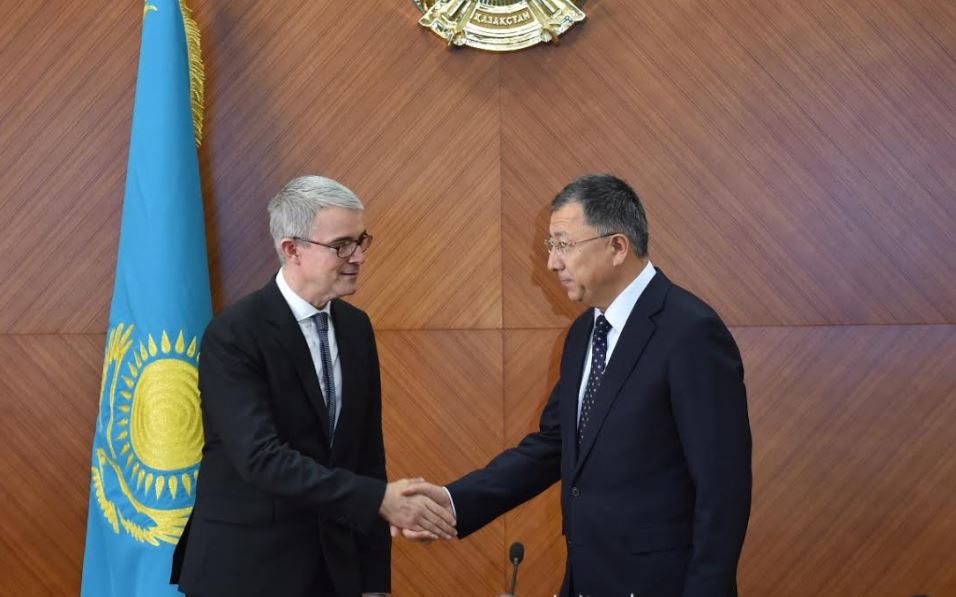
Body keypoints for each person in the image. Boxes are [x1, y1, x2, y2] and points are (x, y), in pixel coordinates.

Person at [402, 174, 752, 596]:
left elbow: (723, 487)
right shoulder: (585, 332)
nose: (552, 263)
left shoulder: (691, 332)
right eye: (551, 246)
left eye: (564, 245)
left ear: (617, 247)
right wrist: (455, 501)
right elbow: (555, 445)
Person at [171, 176, 456, 597]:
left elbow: (366, 457)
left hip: (332, 572)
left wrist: (374, 583)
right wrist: (377, 499)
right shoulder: (235, 333)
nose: (358, 256)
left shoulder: (356, 328)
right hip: (246, 571)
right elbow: (261, 458)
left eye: (361, 241)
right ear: (292, 249)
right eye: (342, 245)